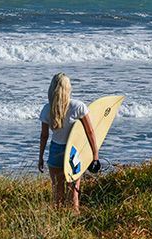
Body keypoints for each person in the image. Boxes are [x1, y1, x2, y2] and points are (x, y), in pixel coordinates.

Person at [38, 72, 100, 212]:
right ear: (68, 88)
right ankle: (74, 224)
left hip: (55, 152)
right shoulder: (78, 107)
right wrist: (95, 155)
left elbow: (44, 136)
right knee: (74, 192)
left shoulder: (47, 109)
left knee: (57, 193)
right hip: (73, 153)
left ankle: (58, 224)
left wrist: (40, 157)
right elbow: (90, 132)